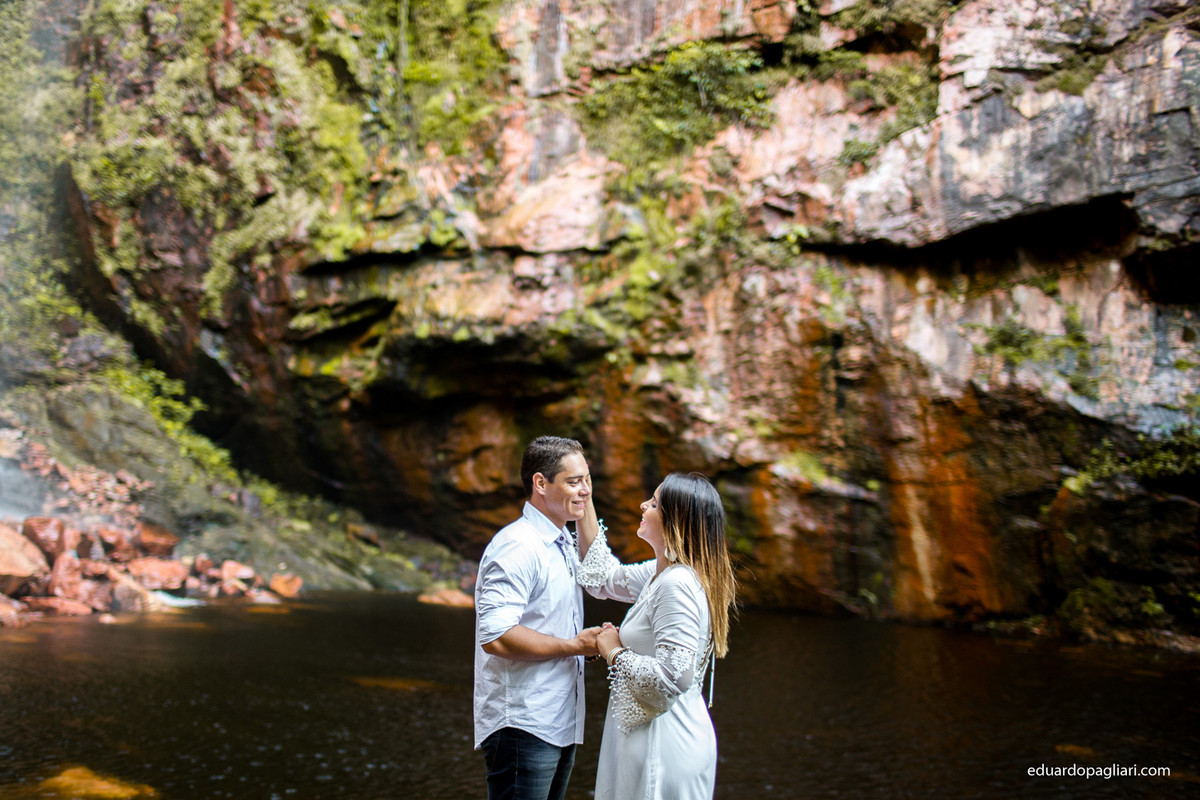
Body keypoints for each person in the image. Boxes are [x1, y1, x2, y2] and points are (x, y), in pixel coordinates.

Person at [575, 472, 737, 800]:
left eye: (653, 503)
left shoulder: (677, 585)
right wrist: (585, 496)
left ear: (675, 520)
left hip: (663, 746)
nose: (642, 505)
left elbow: (672, 679)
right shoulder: (660, 573)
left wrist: (614, 651)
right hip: (650, 737)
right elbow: (602, 577)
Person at [473, 435, 604, 800]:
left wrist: (578, 645)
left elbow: (600, 570)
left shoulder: (560, 541)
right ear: (541, 484)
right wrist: (574, 646)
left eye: (587, 480)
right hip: (523, 723)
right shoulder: (518, 545)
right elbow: (496, 636)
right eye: (574, 482)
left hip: (558, 719)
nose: (585, 492)